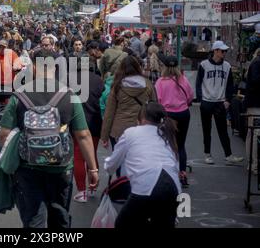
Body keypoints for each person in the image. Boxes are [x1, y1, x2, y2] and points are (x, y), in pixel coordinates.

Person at [0, 49, 99, 228]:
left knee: (33, 220)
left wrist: (6, 165)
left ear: (34, 68)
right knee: (59, 217)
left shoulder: (19, 96)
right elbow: (83, 135)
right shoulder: (70, 96)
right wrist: (92, 169)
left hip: (27, 167)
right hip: (60, 167)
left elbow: (4, 134)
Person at [104, 102, 181, 228]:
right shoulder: (167, 135)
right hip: (173, 188)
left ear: (142, 119)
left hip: (146, 186)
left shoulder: (131, 133)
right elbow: (175, 165)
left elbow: (112, 163)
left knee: (123, 223)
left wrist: (107, 167)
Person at [196, 41, 243, 165]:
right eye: (222, 51)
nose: (224, 53)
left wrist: (227, 100)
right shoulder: (204, 65)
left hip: (220, 102)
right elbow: (198, 83)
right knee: (207, 130)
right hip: (207, 101)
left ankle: (228, 155)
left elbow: (230, 85)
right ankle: (207, 154)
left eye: (225, 51)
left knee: (222, 130)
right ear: (215, 51)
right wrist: (200, 99)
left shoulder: (227, 66)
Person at [100, 56, 157, 154]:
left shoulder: (117, 86)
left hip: (119, 130)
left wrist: (104, 136)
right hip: (141, 129)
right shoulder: (147, 84)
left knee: (119, 160)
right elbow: (154, 107)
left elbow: (109, 113)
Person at [155, 56, 194, 187]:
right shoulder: (183, 80)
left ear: (164, 67)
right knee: (181, 145)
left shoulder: (160, 82)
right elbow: (190, 96)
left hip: (168, 115)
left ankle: (168, 176)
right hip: (183, 114)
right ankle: (183, 176)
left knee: (167, 145)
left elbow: (157, 101)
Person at [72, 57, 104, 203]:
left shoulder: (70, 79)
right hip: (95, 121)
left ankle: (81, 191)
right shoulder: (99, 80)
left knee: (78, 156)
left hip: (77, 122)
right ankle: (93, 187)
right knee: (92, 154)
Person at [244, 48, 260, 175]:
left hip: (254, 103)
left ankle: (252, 163)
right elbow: (256, 81)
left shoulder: (255, 62)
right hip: (256, 103)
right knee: (255, 133)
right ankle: (254, 165)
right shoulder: (257, 63)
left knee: (252, 132)